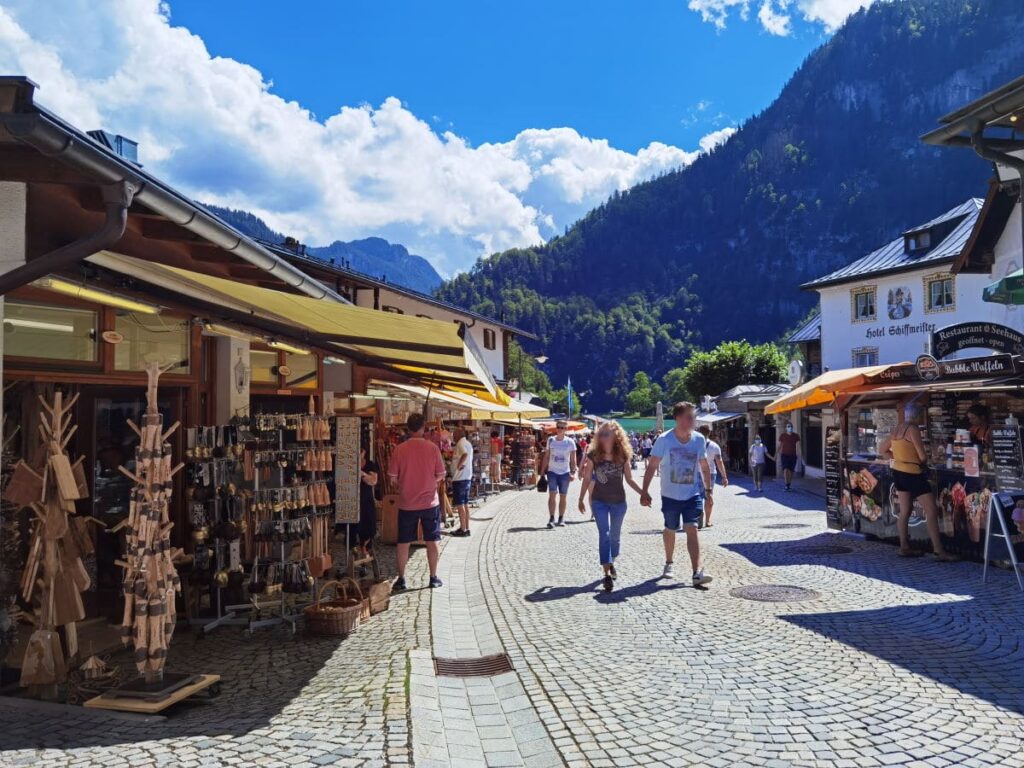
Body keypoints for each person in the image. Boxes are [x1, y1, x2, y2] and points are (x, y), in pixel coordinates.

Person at [640, 402, 713, 586]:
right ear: (679, 418)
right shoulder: (664, 440)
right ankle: (669, 562)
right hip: (670, 495)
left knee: (692, 528)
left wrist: (708, 489)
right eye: (690, 417)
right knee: (670, 529)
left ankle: (696, 572)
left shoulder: (698, 440)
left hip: (692, 494)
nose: (693, 421)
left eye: (694, 417)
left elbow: (704, 466)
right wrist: (644, 490)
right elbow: (653, 466)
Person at [878, 399, 958, 561]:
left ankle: (904, 547)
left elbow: (882, 450)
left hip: (898, 473)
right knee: (931, 511)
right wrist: (928, 458)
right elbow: (922, 456)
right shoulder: (913, 429)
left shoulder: (896, 429)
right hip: (913, 473)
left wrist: (898, 458)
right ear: (918, 415)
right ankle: (938, 551)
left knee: (905, 511)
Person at [578, 421, 644, 592]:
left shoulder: (622, 454)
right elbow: (586, 478)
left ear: (616, 436)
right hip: (599, 501)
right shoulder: (594, 454)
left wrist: (643, 492)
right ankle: (606, 574)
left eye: (606, 434)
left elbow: (629, 479)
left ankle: (611, 561)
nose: (602, 437)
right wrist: (581, 498)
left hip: (619, 503)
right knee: (604, 534)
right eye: (601, 434)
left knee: (614, 537)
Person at [388, 412, 447, 590]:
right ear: (423, 428)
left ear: (408, 428)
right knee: (432, 540)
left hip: (407, 502)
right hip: (430, 502)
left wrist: (405, 483)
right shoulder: (432, 448)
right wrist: (429, 482)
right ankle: (433, 577)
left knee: (403, 541)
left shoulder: (400, 449)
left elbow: (392, 478)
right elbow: (441, 475)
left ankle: (401, 579)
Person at [539, 420, 577, 527]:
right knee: (552, 494)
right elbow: (546, 457)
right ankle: (551, 518)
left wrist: (573, 472)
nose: (560, 429)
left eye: (562, 427)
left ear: (566, 429)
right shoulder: (551, 440)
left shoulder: (570, 442)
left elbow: (573, 460)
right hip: (552, 472)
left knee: (563, 496)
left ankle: (561, 518)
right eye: (558, 427)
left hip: (565, 472)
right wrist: (542, 472)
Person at [697, 425, 729, 527]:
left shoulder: (693, 445)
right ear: (709, 433)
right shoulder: (715, 446)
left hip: (697, 472)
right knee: (708, 496)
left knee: (697, 496)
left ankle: (698, 515)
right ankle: (708, 521)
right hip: (710, 473)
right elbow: (719, 462)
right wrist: (724, 477)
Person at [357, 445, 379, 564]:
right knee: (354, 528)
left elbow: (373, 481)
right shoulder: (347, 464)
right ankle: (356, 551)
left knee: (367, 527)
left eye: (359, 451)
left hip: (366, 501)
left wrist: (362, 474)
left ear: (364, 452)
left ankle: (366, 551)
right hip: (353, 501)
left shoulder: (370, 464)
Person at [450, 428, 473, 537]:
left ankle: (463, 530)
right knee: (465, 504)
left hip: (460, 478)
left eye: (454, 434)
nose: (453, 436)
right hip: (467, 477)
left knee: (460, 505)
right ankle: (466, 528)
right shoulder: (467, 443)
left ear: (459, 434)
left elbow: (464, 455)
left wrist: (458, 466)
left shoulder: (460, 443)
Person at [776, 422, 802, 491]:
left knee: (791, 471)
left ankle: (788, 484)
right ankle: (786, 484)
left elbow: (798, 446)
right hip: (784, 455)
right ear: (786, 428)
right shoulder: (782, 436)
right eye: (788, 426)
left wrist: (800, 455)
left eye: (790, 426)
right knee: (785, 469)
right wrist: (776, 453)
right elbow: (779, 445)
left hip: (793, 455)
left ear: (792, 427)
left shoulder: (796, 436)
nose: (789, 427)